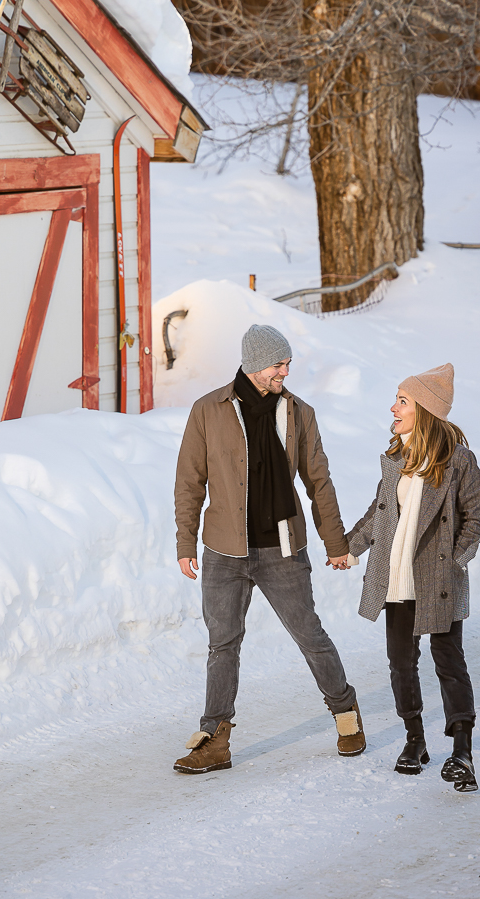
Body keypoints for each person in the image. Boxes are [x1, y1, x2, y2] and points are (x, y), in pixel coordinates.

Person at [172, 323, 365, 774]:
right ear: (256, 364)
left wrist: (334, 543)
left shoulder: (299, 413)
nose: (286, 372)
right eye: (280, 364)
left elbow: (319, 482)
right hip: (224, 550)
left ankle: (347, 715)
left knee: (310, 636)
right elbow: (189, 481)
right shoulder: (208, 410)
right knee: (223, 645)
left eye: (288, 363)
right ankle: (214, 741)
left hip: (282, 550)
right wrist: (185, 541)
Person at [345, 363, 480, 792]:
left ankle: (462, 751)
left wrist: (455, 559)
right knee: (401, 663)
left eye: (402, 401)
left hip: (439, 577)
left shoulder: (458, 461)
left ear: (423, 410)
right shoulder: (396, 459)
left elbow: (477, 517)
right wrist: (348, 547)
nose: (393, 408)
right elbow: (380, 514)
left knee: (449, 661)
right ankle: (415, 740)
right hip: (398, 578)